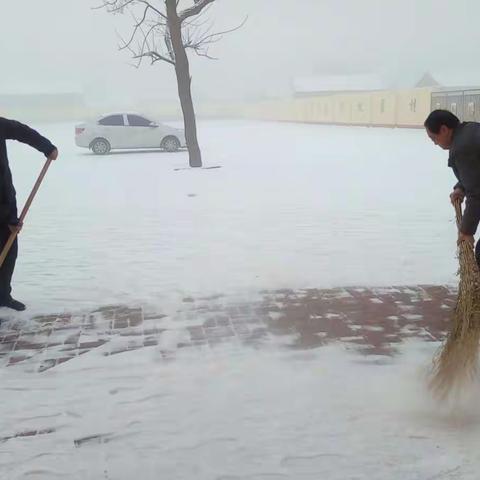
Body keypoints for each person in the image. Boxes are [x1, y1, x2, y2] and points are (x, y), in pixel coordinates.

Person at [0, 117, 58, 311]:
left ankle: (3, 296)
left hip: (5, 197)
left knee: (8, 252)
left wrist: (47, 147)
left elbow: (21, 131)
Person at [424, 109, 480, 265]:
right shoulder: (470, 131)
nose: (435, 143)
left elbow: (476, 194)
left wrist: (466, 231)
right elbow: (476, 173)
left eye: (433, 138)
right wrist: (461, 187)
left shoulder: (462, 147)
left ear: (444, 129)